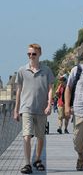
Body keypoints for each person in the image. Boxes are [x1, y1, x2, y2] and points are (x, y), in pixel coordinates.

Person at [13, 43, 54, 174]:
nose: (31, 56)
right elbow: (19, 91)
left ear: (39, 54)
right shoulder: (21, 71)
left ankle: (37, 159)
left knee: (40, 136)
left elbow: (50, 89)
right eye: (29, 54)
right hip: (26, 108)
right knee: (26, 135)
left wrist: (49, 105)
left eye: (34, 54)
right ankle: (27, 163)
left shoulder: (46, 70)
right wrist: (16, 109)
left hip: (41, 109)